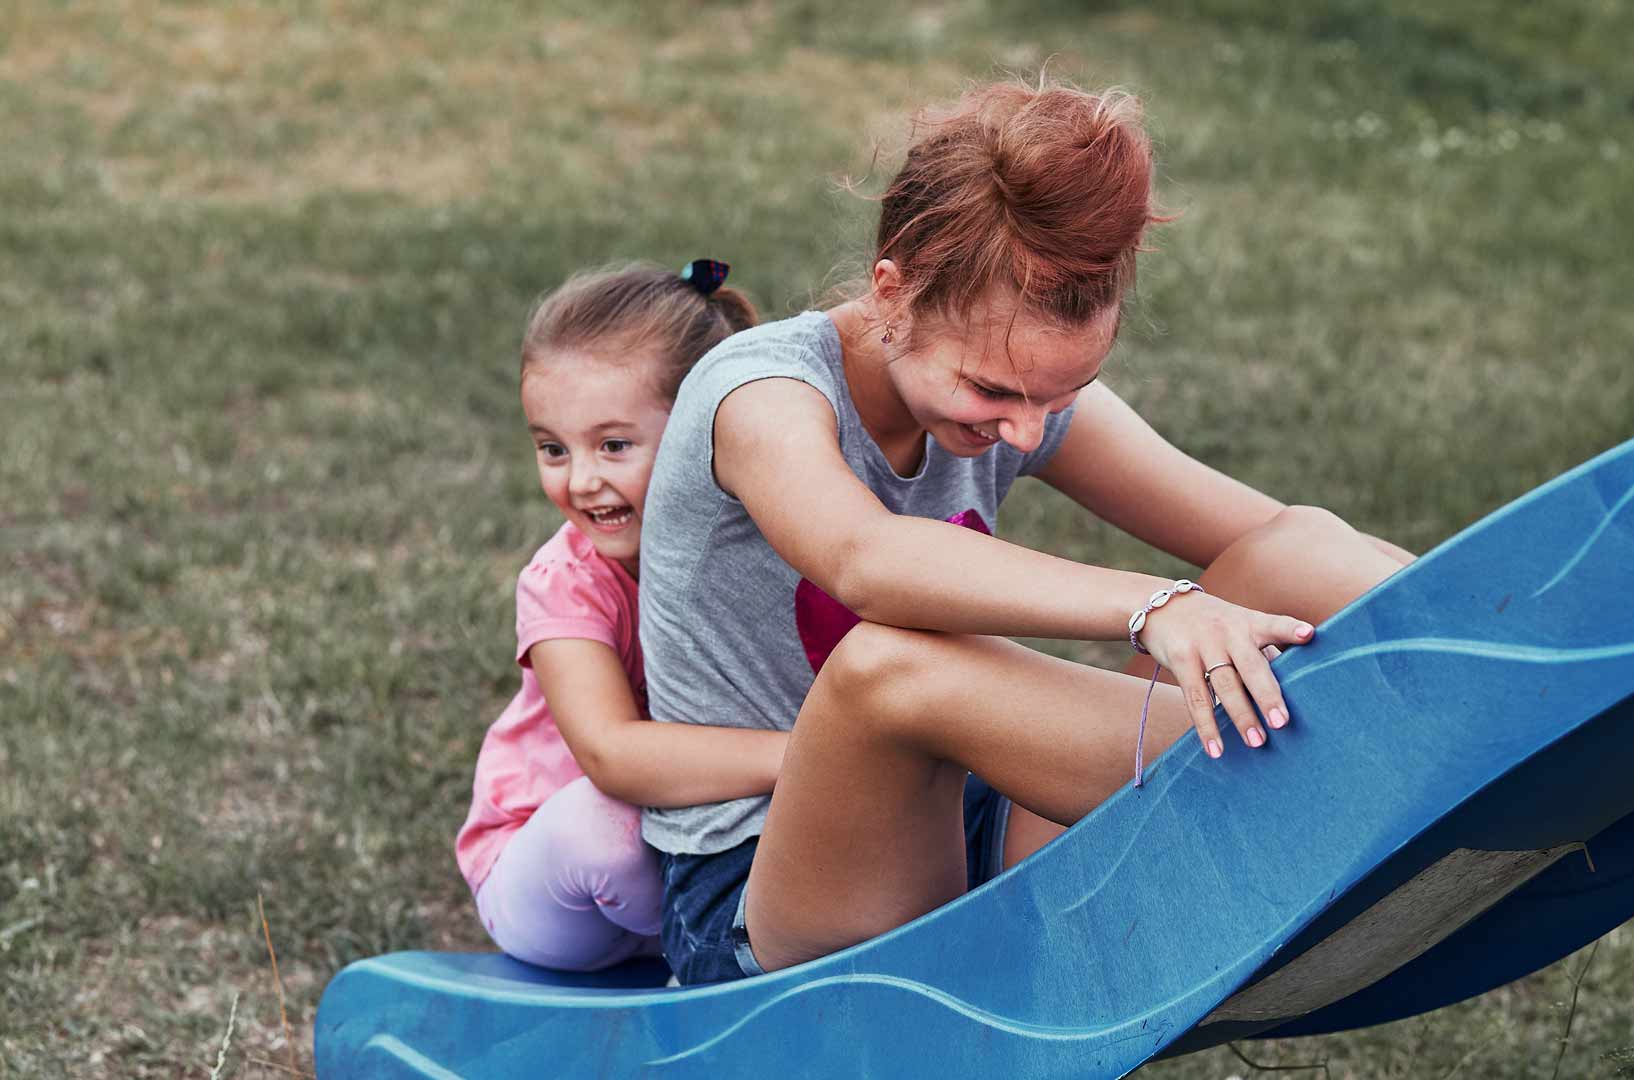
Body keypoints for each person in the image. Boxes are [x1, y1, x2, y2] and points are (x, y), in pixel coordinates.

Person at [638, 79, 1417, 984]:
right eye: (994, 392)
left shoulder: (1015, 380)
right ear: (893, 294)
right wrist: (1156, 603)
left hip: (976, 822)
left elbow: (1267, 534)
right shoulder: (759, 392)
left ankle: (1520, 678)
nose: (1025, 428)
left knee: (1295, 548)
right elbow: (866, 561)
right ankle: (1349, 766)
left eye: (1060, 395)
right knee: (892, 665)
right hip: (765, 890)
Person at [452, 260, 783, 972]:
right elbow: (611, 754)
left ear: (703, 430)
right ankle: (707, 954)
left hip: (706, 835)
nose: (580, 480)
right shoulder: (564, 583)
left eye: (613, 445)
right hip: (558, 877)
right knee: (603, 832)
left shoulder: (757, 547)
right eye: (552, 448)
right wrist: (806, 760)